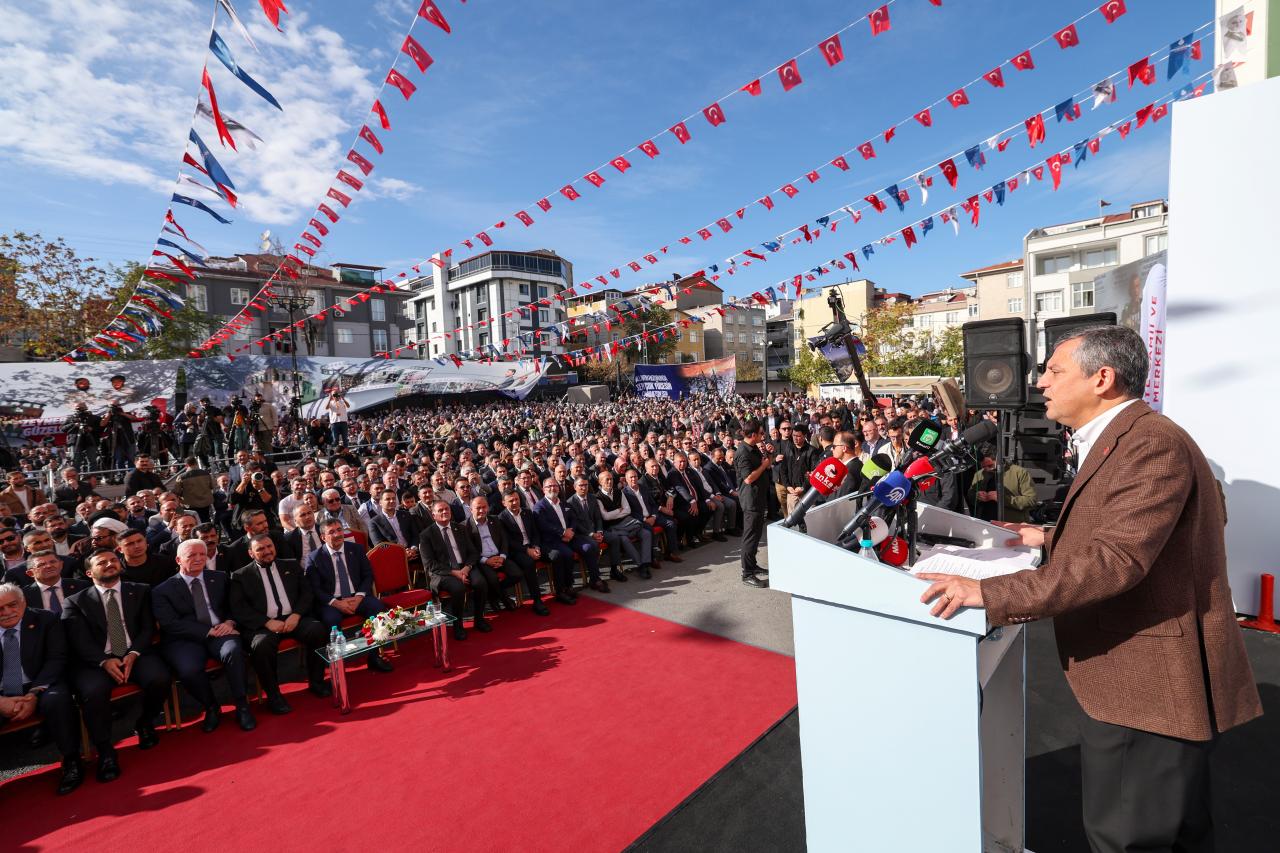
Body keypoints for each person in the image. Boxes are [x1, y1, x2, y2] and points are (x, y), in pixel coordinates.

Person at [919, 326, 1262, 853]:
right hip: (1146, 686)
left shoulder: (1147, 443)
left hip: (1147, 688)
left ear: (1102, 378)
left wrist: (988, 593)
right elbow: (1132, 535)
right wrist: (1051, 537)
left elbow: (1116, 560)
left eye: (1054, 371)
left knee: (1129, 837)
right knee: (1178, 832)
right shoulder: (1130, 437)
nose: (1039, 383)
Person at [63, 548, 174, 779]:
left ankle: (145, 723)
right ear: (89, 573)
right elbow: (79, 641)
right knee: (93, 692)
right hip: (96, 661)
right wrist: (104, 661)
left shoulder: (140, 591)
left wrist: (134, 653)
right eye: (102, 562)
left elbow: (146, 628)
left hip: (136, 653)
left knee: (160, 678)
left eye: (113, 560)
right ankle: (105, 750)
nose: (110, 564)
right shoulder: (75, 602)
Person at [152, 540, 257, 733]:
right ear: (178, 560)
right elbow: (170, 623)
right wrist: (206, 631)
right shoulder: (162, 590)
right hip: (185, 640)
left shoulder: (220, 578)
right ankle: (211, 707)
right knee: (188, 670)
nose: (199, 558)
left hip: (222, 631)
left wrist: (230, 622)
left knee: (233, 651)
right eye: (192, 555)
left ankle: (242, 705)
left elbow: (235, 605)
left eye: (202, 554)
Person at [228, 534, 330, 715]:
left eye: (269, 546)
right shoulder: (240, 576)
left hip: (293, 618)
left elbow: (307, 593)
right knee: (261, 645)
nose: (267, 551)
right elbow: (239, 609)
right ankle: (274, 696)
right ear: (251, 553)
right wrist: (266, 622)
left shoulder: (290, 565)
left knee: (317, 629)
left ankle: (317, 682)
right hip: (264, 626)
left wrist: (297, 615)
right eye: (260, 549)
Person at [0, 582, 85, 795]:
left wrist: (34, 693)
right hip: (2, 693)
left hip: (40, 683)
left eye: (12, 605)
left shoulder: (46, 619)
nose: (7, 612)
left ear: (24, 602)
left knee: (58, 701)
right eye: (0, 609)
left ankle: (72, 760)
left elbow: (56, 659)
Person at [305, 519, 395, 672]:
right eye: (332, 532)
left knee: (378, 608)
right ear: (323, 537)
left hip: (357, 596)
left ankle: (374, 657)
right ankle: (339, 664)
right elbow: (315, 588)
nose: (337, 534)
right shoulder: (315, 557)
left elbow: (368, 575)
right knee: (331, 620)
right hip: (332, 601)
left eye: (339, 530)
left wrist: (359, 597)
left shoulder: (356, 549)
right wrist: (337, 603)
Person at [419, 499, 490, 640]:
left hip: (465, 567)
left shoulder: (460, 528)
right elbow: (430, 564)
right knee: (458, 588)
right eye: (440, 510)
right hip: (443, 573)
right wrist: (454, 572)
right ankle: (458, 626)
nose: (445, 512)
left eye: (447, 509)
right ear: (433, 515)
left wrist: (467, 568)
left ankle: (479, 619)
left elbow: (473, 552)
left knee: (480, 583)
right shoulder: (426, 535)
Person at [466, 495, 546, 616]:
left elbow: (504, 540)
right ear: (471, 510)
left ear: (488, 507)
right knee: (492, 579)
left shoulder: (495, 520)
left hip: (500, 556)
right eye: (478, 508)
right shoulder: (465, 526)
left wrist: (502, 556)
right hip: (483, 561)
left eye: (484, 507)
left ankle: (492, 594)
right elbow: (470, 549)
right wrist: (486, 561)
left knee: (518, 574)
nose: (482, 510)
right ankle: (505, 599)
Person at [534, 478, 607, 593]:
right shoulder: (539, 506)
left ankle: (595, 579)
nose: (553, 488)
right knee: (567, 554)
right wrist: (563, 533)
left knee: (589, 547)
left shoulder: (563, 502)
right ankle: (567, 586)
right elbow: (544, 525)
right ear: (543, 489)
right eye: (549, 486)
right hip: (554, 540)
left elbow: (573, 518)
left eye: (555, 486)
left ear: (558, 488)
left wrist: (570, 531)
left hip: (571, 536)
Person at [735, 419, 772, 588]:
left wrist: (768, 456)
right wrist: (764, 465)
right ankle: (746, 573)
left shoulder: (753, 448)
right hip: (750, 500)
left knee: (756, 534)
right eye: (761, 433)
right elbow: (748, 478)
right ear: (753, 435)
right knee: (750, 537)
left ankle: (752, 565)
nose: (763, 436)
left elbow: (764, 464)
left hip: (759, 498)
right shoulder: (742, 452)